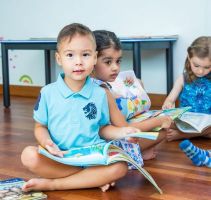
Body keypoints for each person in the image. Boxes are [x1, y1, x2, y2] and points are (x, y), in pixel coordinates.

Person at [21, 23, 139, 193]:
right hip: (61, 157)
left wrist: (123, 133)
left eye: (85, 55)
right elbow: (40, 127)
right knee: (28, 155)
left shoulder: (100, 93)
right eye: (70, 55)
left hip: (92, 156)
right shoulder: (47, 93)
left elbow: (103, 129)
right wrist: (46, 142)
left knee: (120, 167)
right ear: (59, 59)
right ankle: (90, 178)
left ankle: (54, 184)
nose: (78, 62)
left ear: (94, 57)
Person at [92, 30, 173, 160]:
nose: (115, 68)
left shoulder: (90, 84)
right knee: (163, 131)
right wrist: (158, 120)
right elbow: (125, 128)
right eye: (108, 62)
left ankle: (142, 150)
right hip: (107, 146)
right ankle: (138, 152)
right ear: (93, 59)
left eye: (118, 61)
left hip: (104, 138)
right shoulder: (102, 91)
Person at [162, 36, 211, 141]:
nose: (201, 71)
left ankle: (183, 135)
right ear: (189, 57)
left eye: (207, 67)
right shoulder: (183, 78)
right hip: (186, 121)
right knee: (163, 122)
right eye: (196, 65)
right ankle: (198, 134)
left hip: (206, 122)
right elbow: (170, 99)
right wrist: (168, 104)